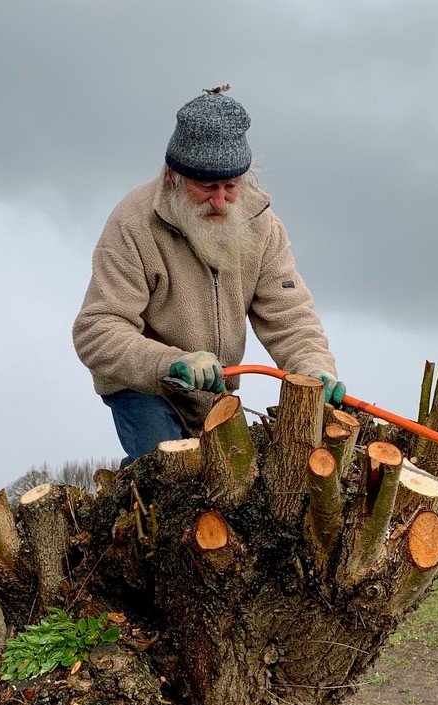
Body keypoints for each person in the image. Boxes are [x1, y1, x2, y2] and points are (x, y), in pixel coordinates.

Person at [73, 87, 345, 464]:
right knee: (168, 474)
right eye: (206, 187)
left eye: (230, 186)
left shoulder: (263, 227)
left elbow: (290, 316)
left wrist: (315, 366)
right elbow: (96, 330)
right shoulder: (132, 224)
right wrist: (170, 363)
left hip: (216, 393)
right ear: (174, 175)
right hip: (145, 387)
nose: (220, 202)